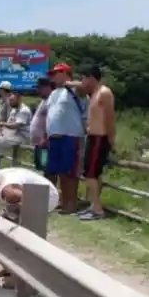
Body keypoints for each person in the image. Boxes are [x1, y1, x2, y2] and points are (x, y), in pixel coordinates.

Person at [0, 160, 60, 287]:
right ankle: (9, 268)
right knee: (2, 231)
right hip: (32, 192)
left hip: (45, 196)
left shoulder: (8, 192)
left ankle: (21, 278)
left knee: (18, 236)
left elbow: (24, 198)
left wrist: (21, 222)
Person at [44, 63, 87, 214]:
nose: (53, 77)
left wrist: (69, 83)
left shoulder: (73, 89)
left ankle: (72, 203)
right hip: (54, 137)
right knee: (60, 171)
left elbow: (85, 86)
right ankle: (63, 200)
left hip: (71, 135)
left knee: (70, 172)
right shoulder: (54, 93)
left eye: (56, 73)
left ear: (65, 73)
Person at [77, 64, 116, 221]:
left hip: (100, 138)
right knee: (92, 173)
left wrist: (112, 140)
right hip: (92, 137)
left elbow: (109, 118)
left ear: (91, 78)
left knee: (91, 174)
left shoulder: (104, 93)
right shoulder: (93, 93)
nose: (82, 82)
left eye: (84, 78)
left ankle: (98, 209)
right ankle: (94, 205)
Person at [0, 92, 32, 170]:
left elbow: (16, 125)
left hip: (21, 137)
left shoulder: (24, 110)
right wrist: (1, 131)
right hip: (13, 136)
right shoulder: (14, 110)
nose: (10, 102)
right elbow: (9, 124)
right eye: (9, 100)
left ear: (19, 99)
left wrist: (2, 124)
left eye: (12, 100)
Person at [29, 77, 56, 183]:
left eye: (40, 88)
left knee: (47, 169)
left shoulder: (51, 101)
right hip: (39, 143)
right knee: (42, 168)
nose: (38, 91)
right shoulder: (44, 101)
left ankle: (50, 192)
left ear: (47, 87)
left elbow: (50, 120)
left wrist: (45, 137)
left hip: (44, 143)